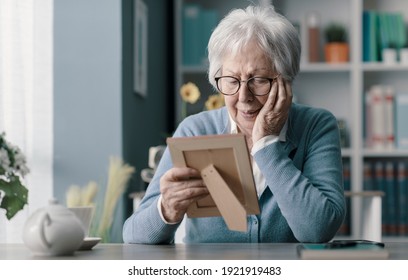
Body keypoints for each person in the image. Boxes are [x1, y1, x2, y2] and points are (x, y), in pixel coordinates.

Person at [123, 4, 345, 244]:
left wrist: (267, 144)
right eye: (231, 80)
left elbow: (318, 231)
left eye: (258, 80)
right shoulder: (195, 130)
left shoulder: (316, 126)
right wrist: (166, 209)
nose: (243, 97)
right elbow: (133, 235)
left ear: (286, 81)